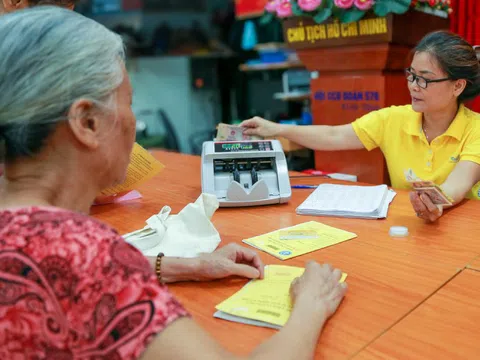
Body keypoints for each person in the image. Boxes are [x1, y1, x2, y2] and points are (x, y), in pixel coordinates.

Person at [0, 7, 347, 359]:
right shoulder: (85, 253)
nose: (135, 122)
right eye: (129, 102)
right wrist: (311, 305)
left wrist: (190, 265)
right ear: (87, 122)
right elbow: (88, 270)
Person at [242, 30, 480, 223]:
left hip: (462, 229)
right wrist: (276, 129)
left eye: (424, 79)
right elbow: (334, 135)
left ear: (457, 86)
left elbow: (458, 184)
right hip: (411, 225)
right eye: (411, 75)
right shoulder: (392, 119)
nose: (413, 86)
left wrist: (436, 203)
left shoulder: (476, 128)